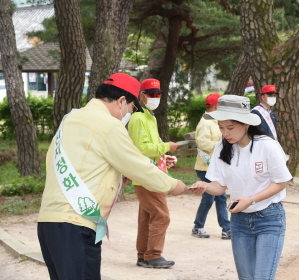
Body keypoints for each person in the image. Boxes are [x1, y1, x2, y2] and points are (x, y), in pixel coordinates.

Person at [37, 73, 187, 279]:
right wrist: (172, 185)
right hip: (75, 224)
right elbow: (138, 165)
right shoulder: (108, 125)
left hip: (49, 222)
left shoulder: (70, 119)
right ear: (122, 101)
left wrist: (115, 177)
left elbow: (78, 162)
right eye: (131, 108)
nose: (127, 114)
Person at [190, 95, 292, 280]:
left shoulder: (267, 146)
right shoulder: (222, 146)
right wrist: (205, 186)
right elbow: (219, 187)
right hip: (239, 221)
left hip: (269, 218)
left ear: (246, 124)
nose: (225, 132)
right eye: (221, 127)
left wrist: (251, 199)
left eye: (230, 127)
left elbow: (281, 182)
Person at [127, 78, 180, 268]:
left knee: (147, 217)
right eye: (151, 94)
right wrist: (167, 146)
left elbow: (150, 147)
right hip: (147, 176)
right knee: (161, 215)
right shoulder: (139, 118)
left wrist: (164, 156)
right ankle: (153, 255)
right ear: (141, 96)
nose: (155, 98)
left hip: (147, 174)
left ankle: (143, 255)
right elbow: (141, 148)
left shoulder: (149, 116)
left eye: (158, 94)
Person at [191, 92, 231, 240]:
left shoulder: (216, 121)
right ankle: (198, 226)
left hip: (215, 167)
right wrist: (221, 144)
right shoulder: (205, 123)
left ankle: (226, 228)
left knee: (220, 198)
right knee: (208, 198)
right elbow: (202, 143)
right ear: (216, 106)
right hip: (205, 167)